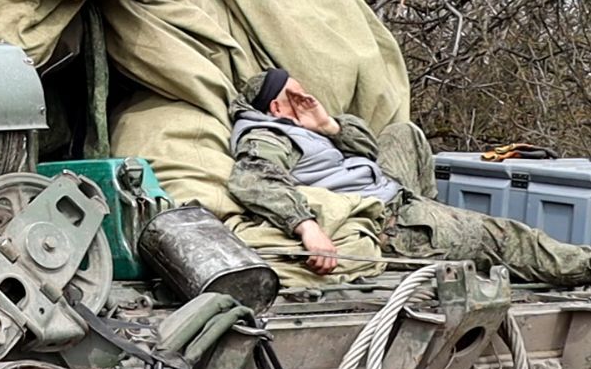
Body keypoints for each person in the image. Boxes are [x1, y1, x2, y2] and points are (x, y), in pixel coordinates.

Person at [228, 68, 591, 286]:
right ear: (276, 106)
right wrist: (307, 227)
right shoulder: (266, 136)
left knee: (403, 133)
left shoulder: (300, 127)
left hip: (385, 189)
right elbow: (255, 180)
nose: (307, 96)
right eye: (297, 94)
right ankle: (583, 264)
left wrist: (327, 125)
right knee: (505, 238)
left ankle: (439, 220)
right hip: (387, 219)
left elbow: (367, 149)